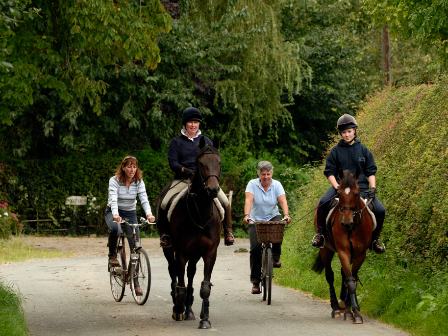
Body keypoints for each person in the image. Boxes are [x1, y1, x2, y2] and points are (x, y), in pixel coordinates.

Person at [159, 107, 234, 247]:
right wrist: (184, 170)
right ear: (185, 124)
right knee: (165, 202)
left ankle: (228, 231)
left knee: (224, 201)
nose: (193, 125)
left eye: (196, 122)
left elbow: (212, 161)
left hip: (204, 180)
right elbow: (172, 162)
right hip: (182, 179)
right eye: (190, 122)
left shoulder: (206, 141)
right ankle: (165, 234)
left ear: (199, 124)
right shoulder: (176, 142)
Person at [312, 114, 386, 253]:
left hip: (361, 189)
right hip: (340, 189)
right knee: (322, 203)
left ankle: (375, 240)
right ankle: (320, 234)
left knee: (381, 210)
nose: (347, 135)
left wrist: (373, 187)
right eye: (344, 132)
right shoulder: (335, 151)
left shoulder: (363, 150)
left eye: (349, 131)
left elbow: (370, 170)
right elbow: (330, 172)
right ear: (340, 133)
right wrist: (336, 186)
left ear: (355, 131)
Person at [105, 156, 156, 294]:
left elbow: (144, 199)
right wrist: (115, 215)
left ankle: (135, 281)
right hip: (113, 211)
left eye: (134, 167)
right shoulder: (114, 181)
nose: (132, 170)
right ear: (123, 167)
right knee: (115, 229)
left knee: (136, 247)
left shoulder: (139, 182)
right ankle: (112, 255)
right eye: (129, 166)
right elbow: (113, 199)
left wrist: (149, 214)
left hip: (130, 212)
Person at [242, 161, 291, 294]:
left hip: (272, 216)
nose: (266, 177)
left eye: (268, 174)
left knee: (279, 228)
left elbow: (283, 201)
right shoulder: (252, 184)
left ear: (271, 174)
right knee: (255, 249)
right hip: (255, 219)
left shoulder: (277, 185)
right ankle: (255, 282)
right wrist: (247, 215)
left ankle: (275, 257)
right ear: (259, 174)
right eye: (263, 174)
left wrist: (286, 215)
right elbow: (248, 200)